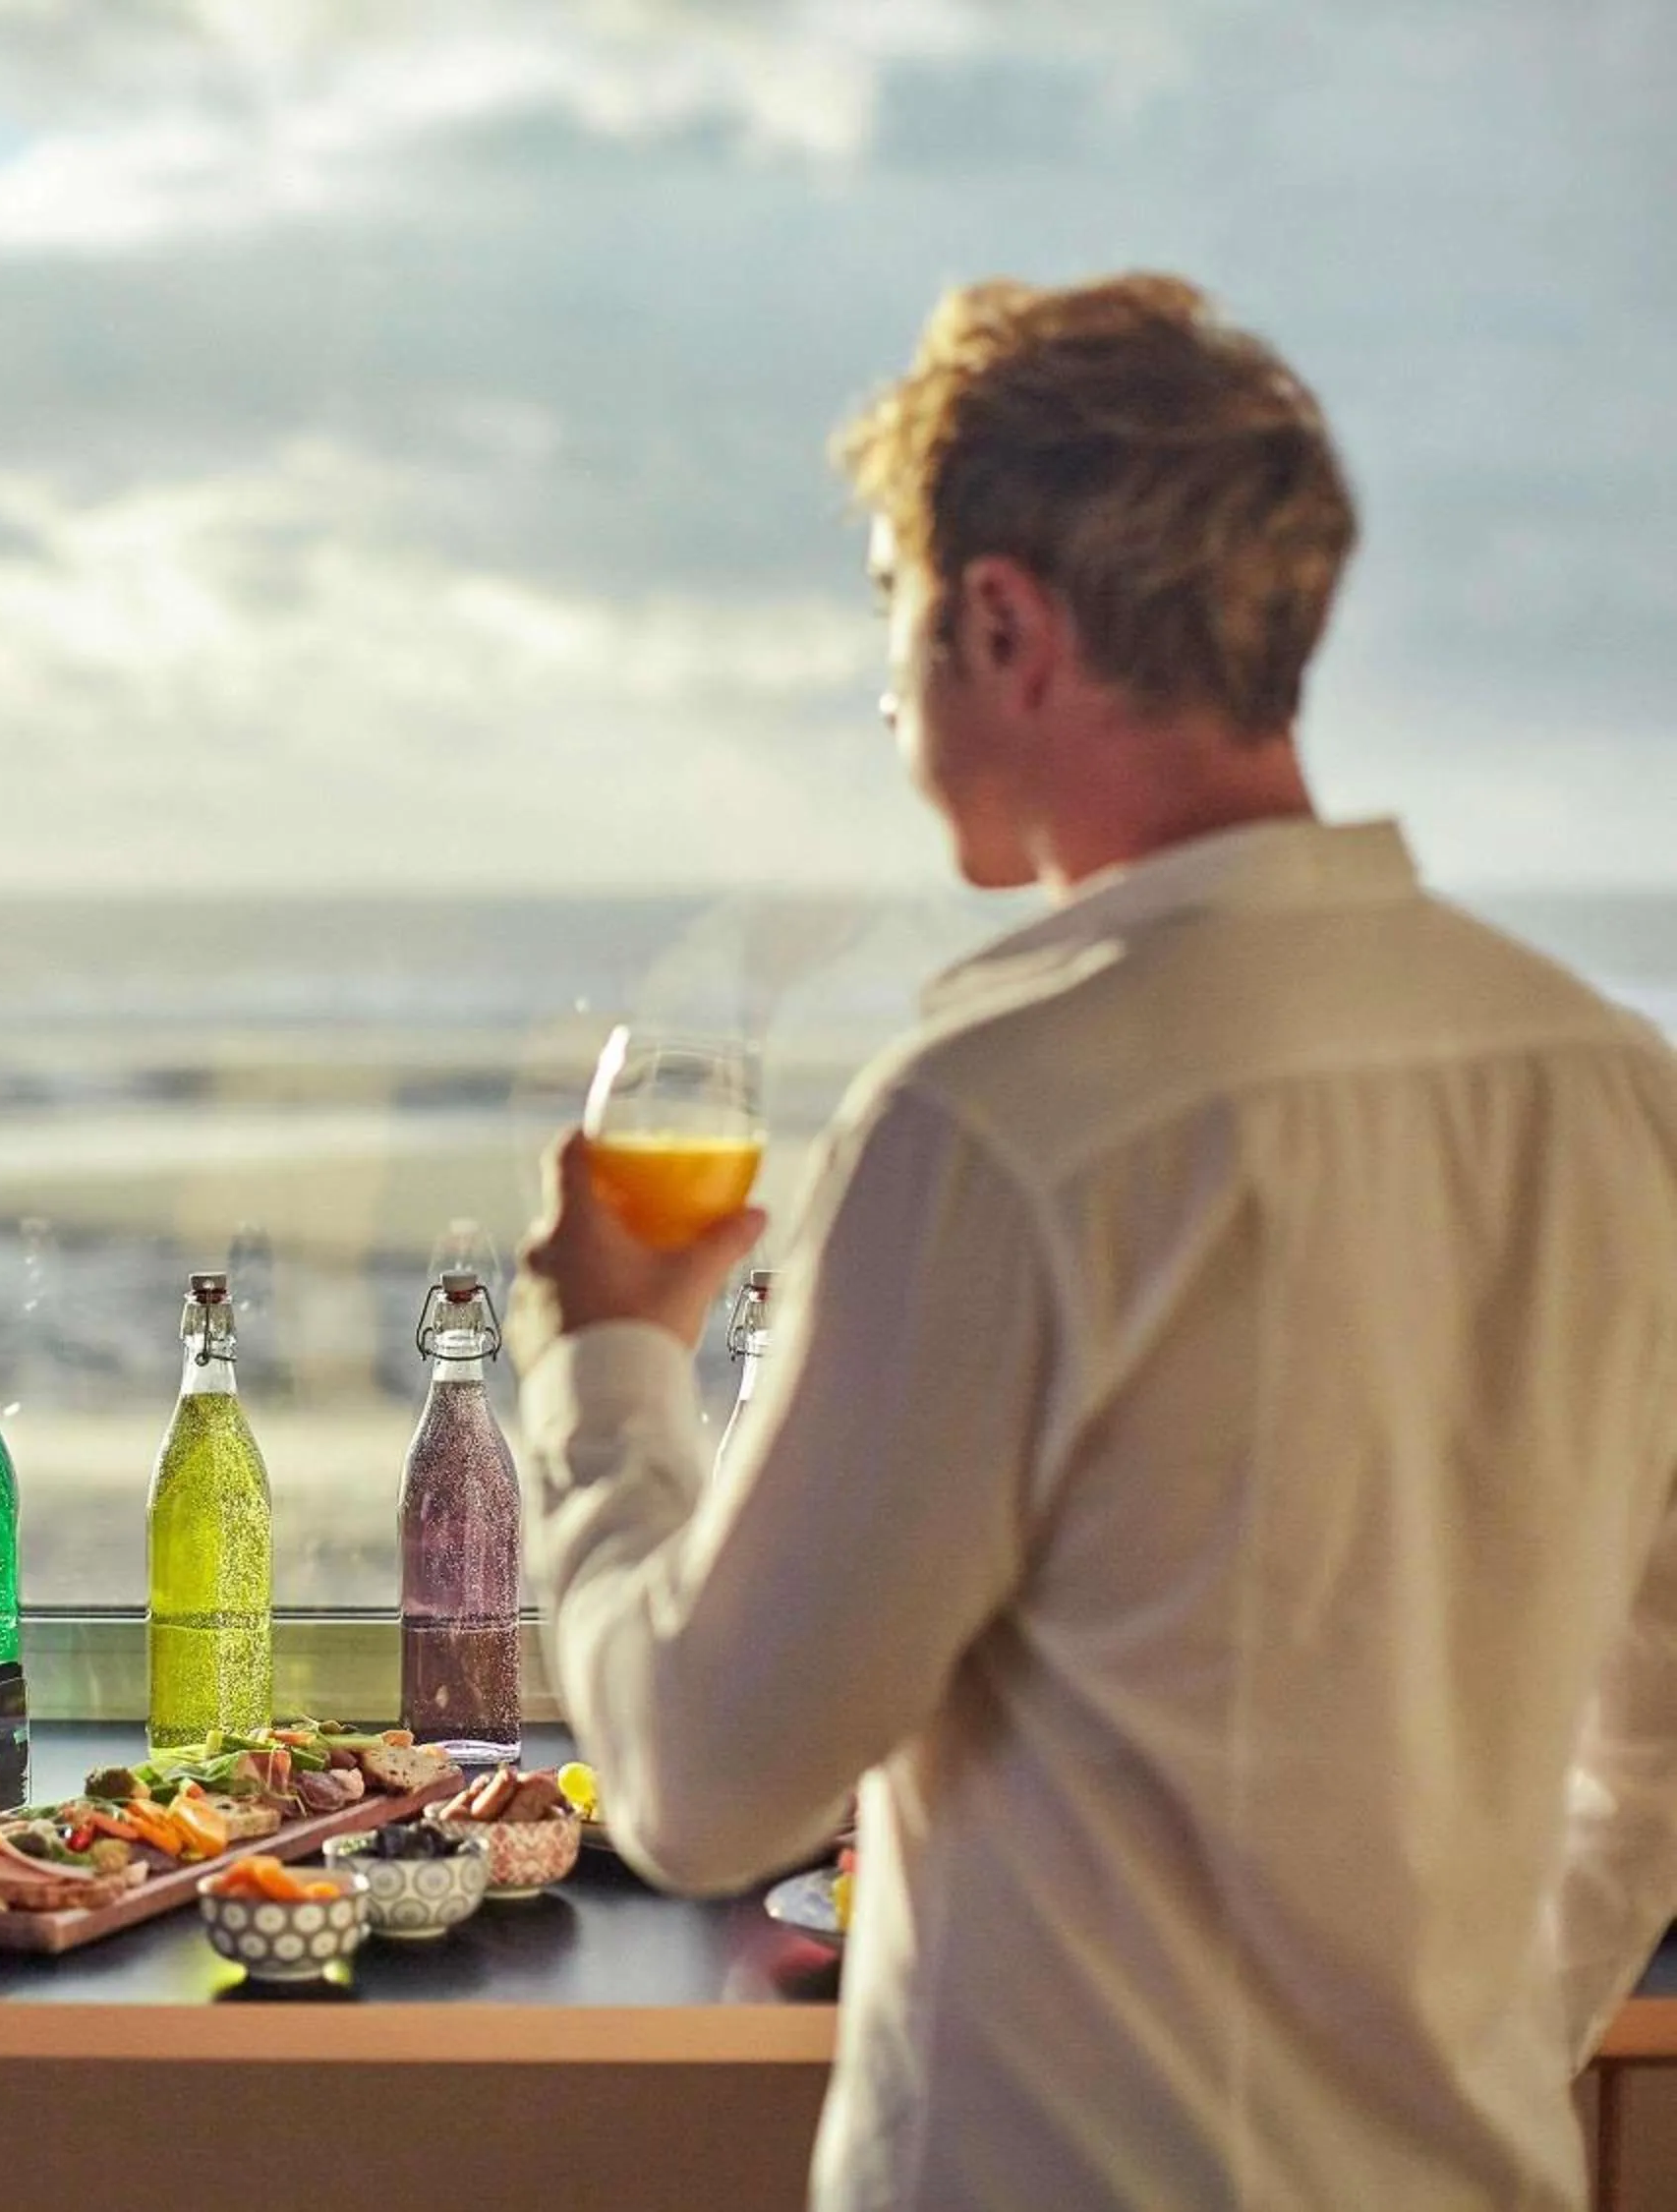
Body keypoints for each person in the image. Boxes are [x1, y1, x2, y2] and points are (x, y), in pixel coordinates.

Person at [511, 273, 1677, 2210]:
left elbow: (704, 1785)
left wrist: (609, 1364)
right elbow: (1655, 1749)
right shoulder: (1614, 1086)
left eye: (893, 617)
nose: (892, 697)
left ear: (1000, 623)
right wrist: (1426, 2089)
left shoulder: (996, 1125)